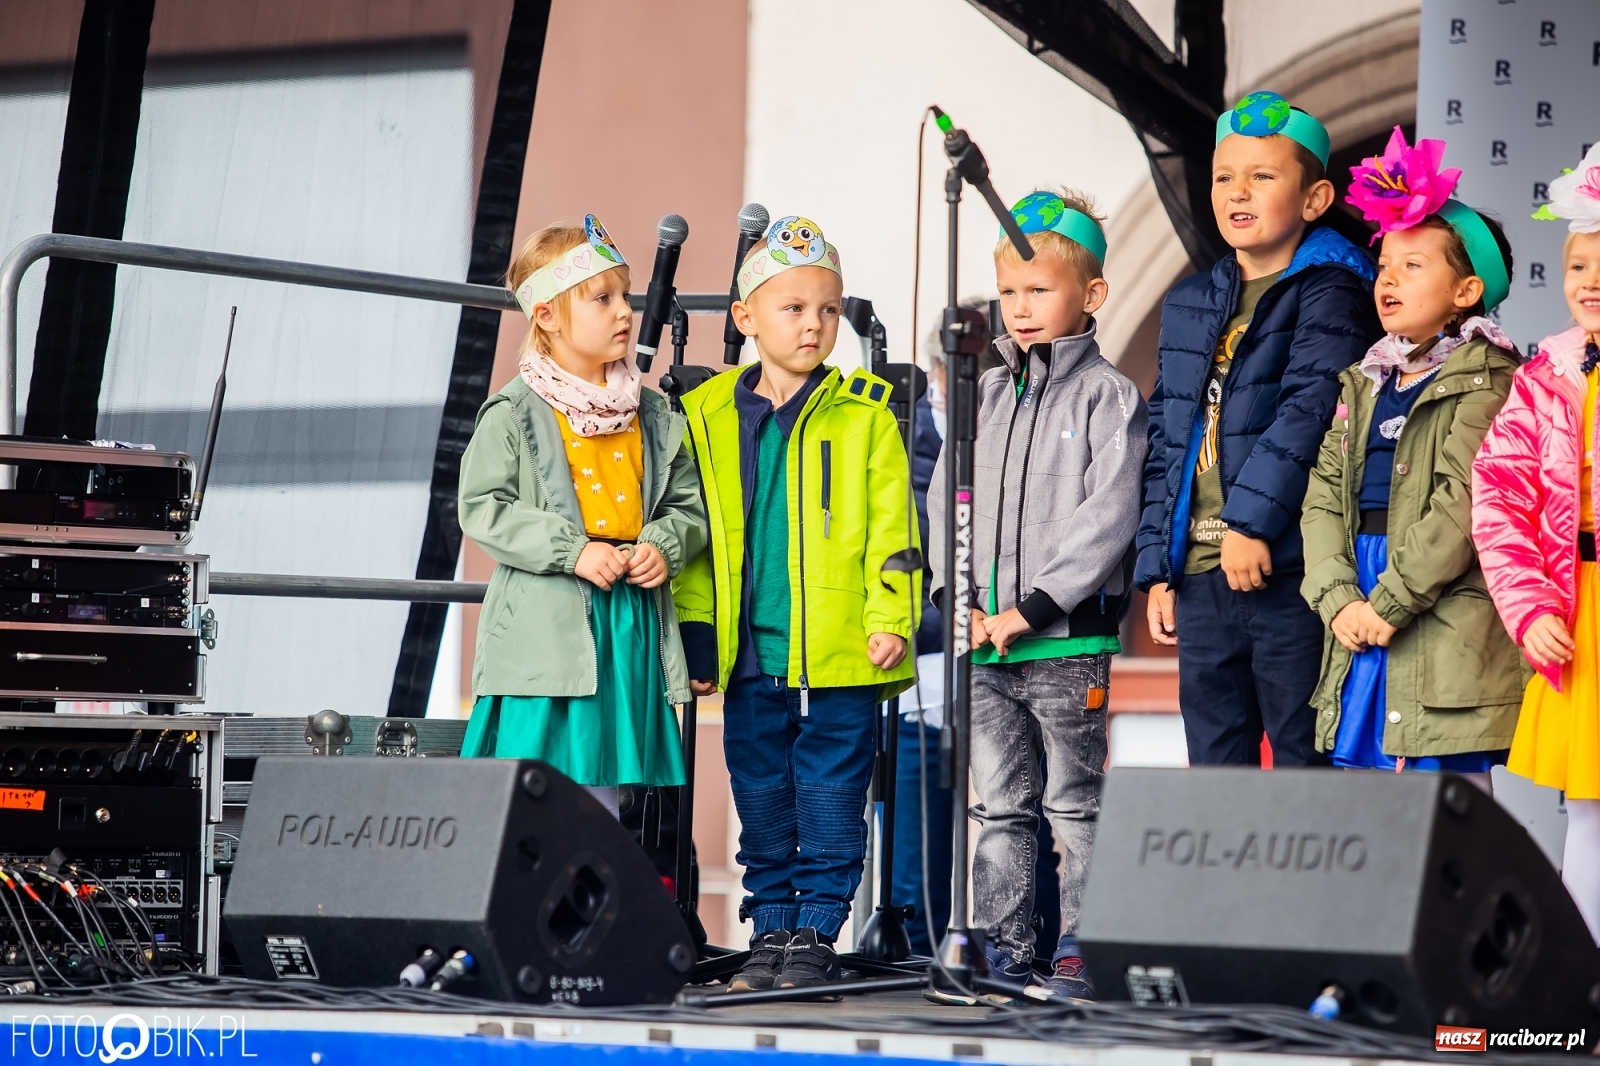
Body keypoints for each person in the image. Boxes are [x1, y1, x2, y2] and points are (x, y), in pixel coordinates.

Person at [673, 215, 919, 991]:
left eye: (826, 309)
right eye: (793, 308)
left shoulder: (866, 416)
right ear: (745, 317)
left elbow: (896, 533)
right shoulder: (705, 414)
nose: (814, 325)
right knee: (762, 794)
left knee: (832, 794)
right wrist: (697, 634)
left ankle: (817, 929)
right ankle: (771, 930)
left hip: (839, 652)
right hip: (750, 654)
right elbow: (693, 536)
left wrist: (891, 618)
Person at [928, 189, 1148, 1002]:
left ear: (1089, 296)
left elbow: (1109, 516)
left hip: (1063, 644)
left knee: (1073, 806)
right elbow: (948, 492)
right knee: (1001, 808)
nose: (1019, 309)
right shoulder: (985, 395)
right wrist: (963, 599)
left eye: (1039, 290)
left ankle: (1081, 950)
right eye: (1009, 291)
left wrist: (1034, 607)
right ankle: (1006, 951)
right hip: (988, 643)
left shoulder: (1108, 397)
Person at [1134, 91, 1383, 767]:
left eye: (1262, 176)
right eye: (1224, 177)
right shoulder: (1191, 301)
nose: (1237, 192)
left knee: (1303, 763)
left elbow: (1309, 408)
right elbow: (1167, 435)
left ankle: (1308, 881)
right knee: (1215, 769)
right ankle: (1222, 882)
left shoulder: (1332, 290)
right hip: (1202, 571)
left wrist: (1248, 524)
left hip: (1287, 568)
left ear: (1314, 199)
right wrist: (1161, 564)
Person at [457, 215, 707, 819]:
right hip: (547, 628)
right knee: (537, 789)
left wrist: (664, 545)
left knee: (607, 790)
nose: (626, 311)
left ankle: (591, 896)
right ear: (546, 316)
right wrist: (572, 550)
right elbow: (483, 507)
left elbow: (688, 503)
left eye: (625, 296)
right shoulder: (514, 412)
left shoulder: (651, 413)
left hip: (627, 618)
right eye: (603, 298)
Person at [1301, 129, 1522, 781]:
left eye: (1414, 266)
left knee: (1442, 808)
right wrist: (1340, 598)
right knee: (1365, 815)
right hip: (1362, 591)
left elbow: (1464, 507)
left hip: (1432, 601)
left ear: (1466, 292)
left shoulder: (1491, 379)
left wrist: (1387, 603)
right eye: (1386, 265)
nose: (1389, 279)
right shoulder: (1366, 379)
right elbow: (1322, 495)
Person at [1473, 141, 1600, 940]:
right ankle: (1581, 983)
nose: (1592, 281)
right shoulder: (1544, 375)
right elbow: (1500, 497)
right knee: (1588, 807)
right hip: (1581, 614)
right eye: (1581, 264)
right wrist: (1527, 609)